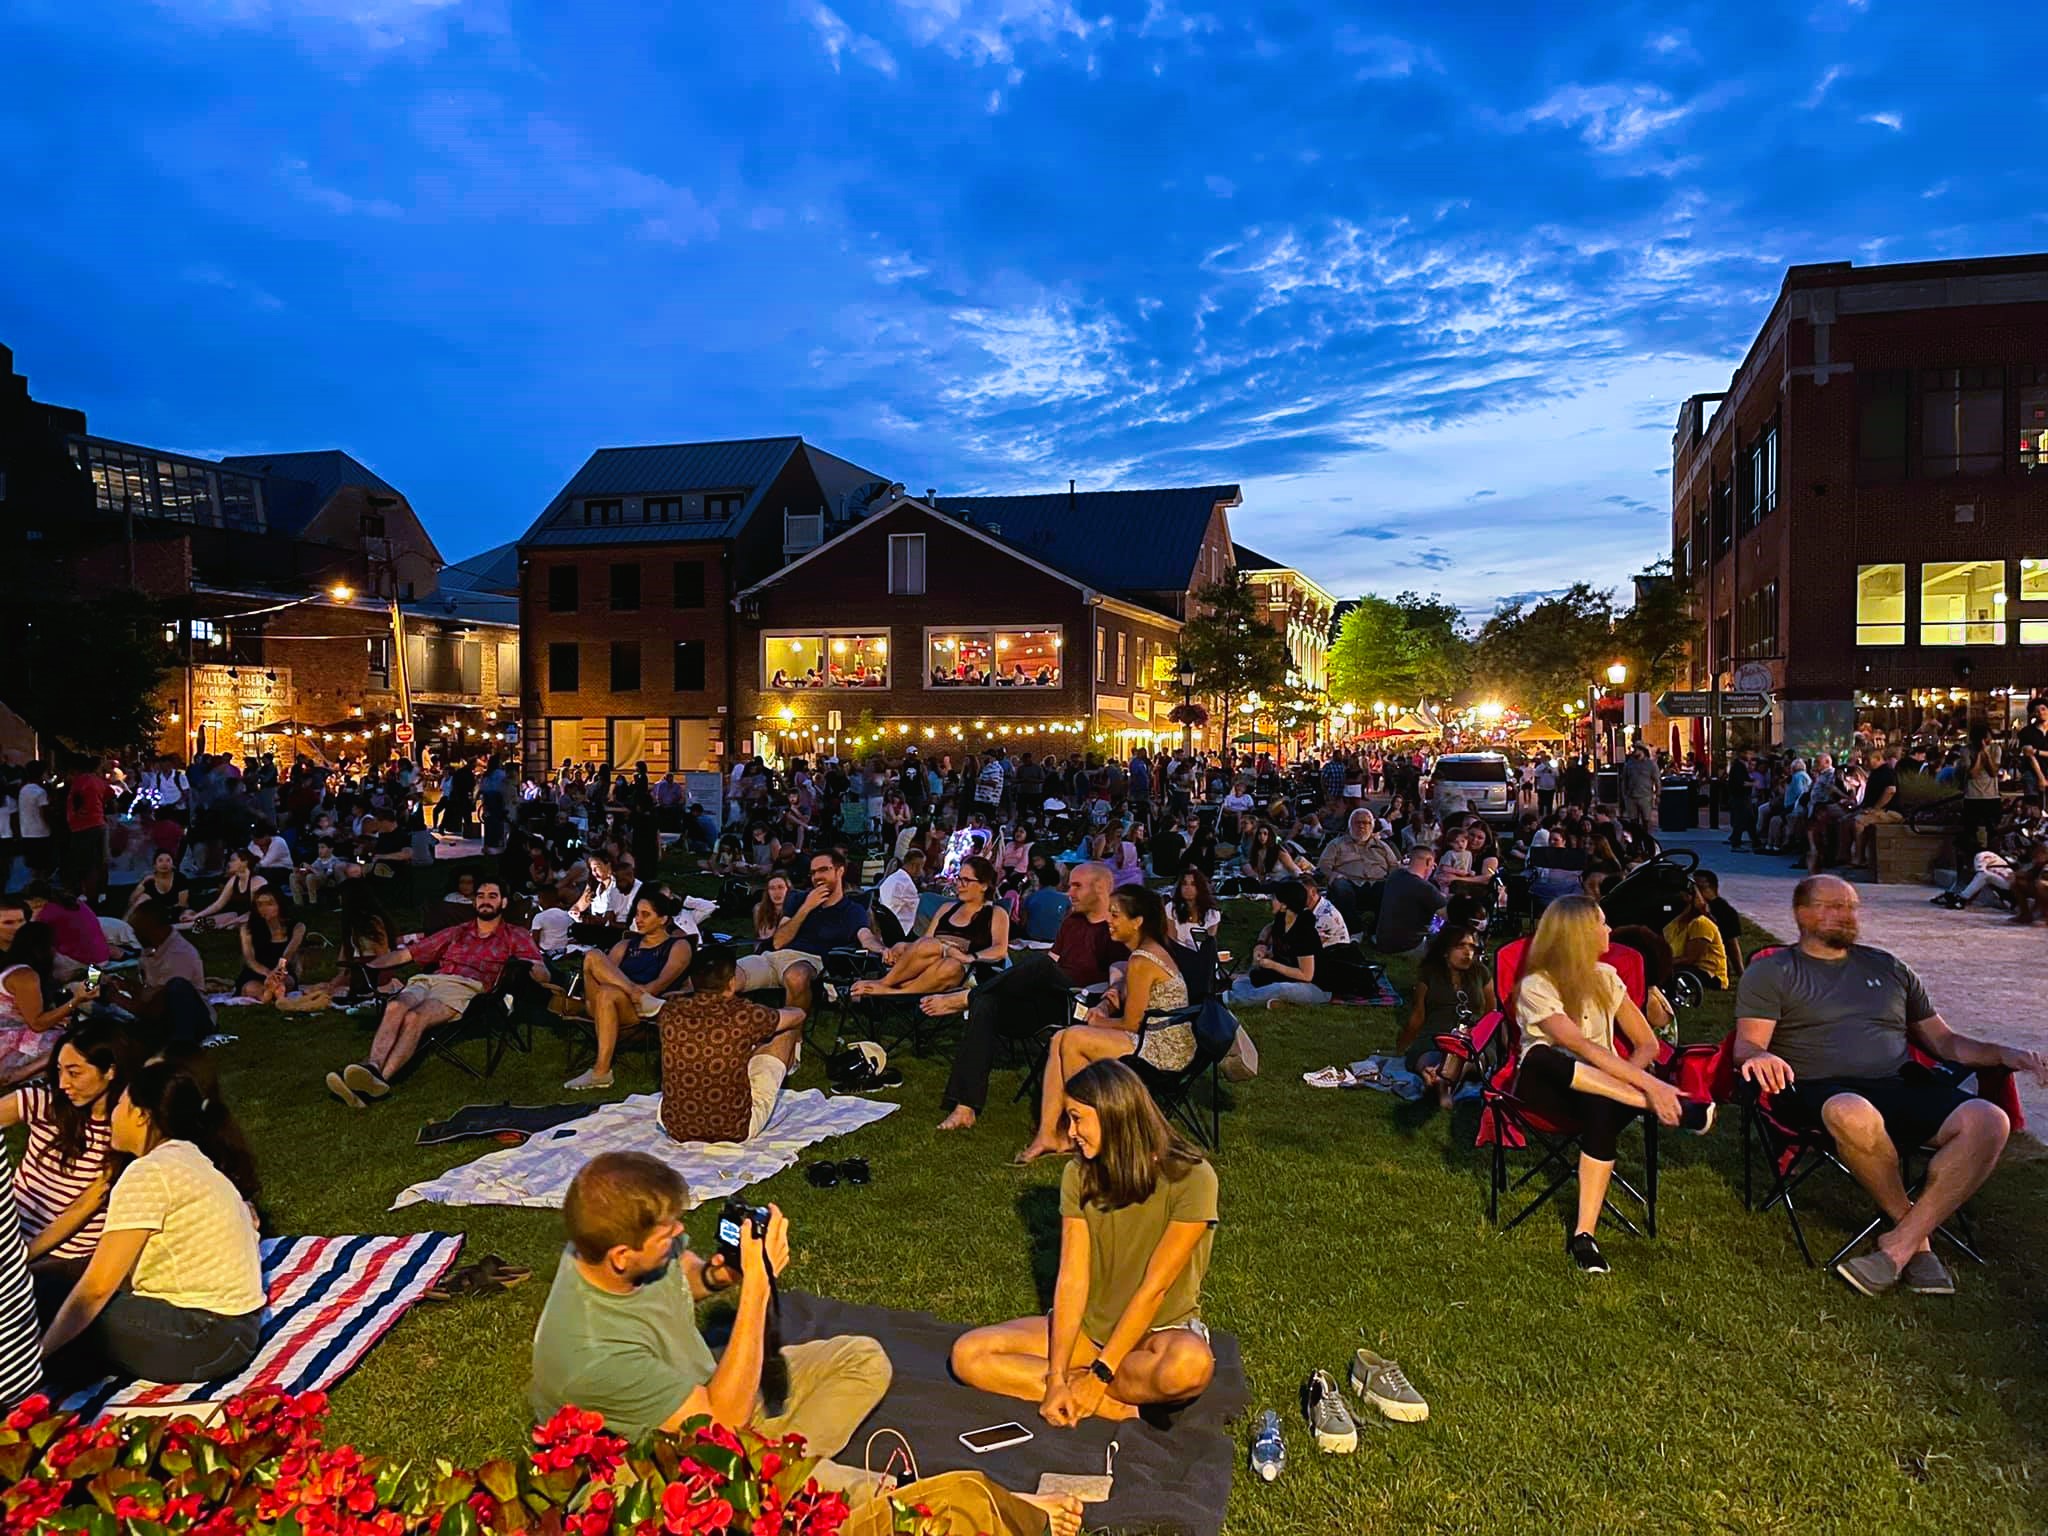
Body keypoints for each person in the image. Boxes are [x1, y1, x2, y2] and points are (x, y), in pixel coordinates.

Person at [1734, 876, 2047, 1297]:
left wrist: (2002, 1053)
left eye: (1851, 906)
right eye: (1832, 906)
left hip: (1899, 1084)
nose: (1845, 915)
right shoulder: (1772, 971)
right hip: (1817, 1088)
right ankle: (1918, 1243)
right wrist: (1761, 1055)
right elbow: (1747, 1044)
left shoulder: (1888, 967)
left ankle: (1898, 1246)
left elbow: (1944, 1042)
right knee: (1852, 1111)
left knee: (1989, 1120)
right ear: (1802, 914)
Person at [528, 1152, 892, 1503]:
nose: (680, 1232)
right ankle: (767, 1478)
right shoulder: (590, 1354)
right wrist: (756, 1288)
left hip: (705, 1399)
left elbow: (678, 1274)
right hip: (655, 1460)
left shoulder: (599, 1242)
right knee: (871, 1495)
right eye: (666, 1233)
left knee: (863, 1359)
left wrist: (716, 1276)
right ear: (622, 1256)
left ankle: (769, 1472)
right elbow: (722, 1424)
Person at [953, 1060, 1217, 1424]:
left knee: (1190, 1366)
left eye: (1077, 1118)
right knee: (969, 1354)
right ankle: (1114, 1407)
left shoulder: (1192, 1177)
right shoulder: (1079, 1174)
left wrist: (1101, 1374)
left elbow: (1155, 1288)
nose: (1070, 1132)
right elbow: (1072, 1280)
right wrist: (1056, 1375)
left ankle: (1092, 1389)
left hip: (1157, 1335)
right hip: (1090, 1335)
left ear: (1112, 1114)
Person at [1512, 897, 1712, 1274]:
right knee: (1542, 1056)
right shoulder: (1537, 985)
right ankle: (1656, 1103)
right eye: (1601, 924)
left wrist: (1624, 1077)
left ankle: (1583, 1236)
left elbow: (1648, 1043)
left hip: (1603, 1093)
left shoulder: (1606, 977)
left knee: (1601, 1103)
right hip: (1550, 1090)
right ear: (1577, 935)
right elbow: (1579, 1045)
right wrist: (1653, 1090)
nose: (1609, 931)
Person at [39, 1055, 264, 1387]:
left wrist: (39, 1355)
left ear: (141, 1115)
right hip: (236, 1331)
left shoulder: (149, 1172)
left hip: (205, 1336)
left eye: (119, 1106)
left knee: (67, 1310)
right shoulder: (186, 1154)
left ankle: (37, 1367)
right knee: (46, 1280)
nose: (111, 1115)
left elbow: (97, 1288)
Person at [933, 862, 1126, 1134]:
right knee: (987, 1004)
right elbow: (1054, 960)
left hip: (1078, 1002)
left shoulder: (1116, 928)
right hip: (1045, 1000)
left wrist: (1107, 1003)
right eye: (1068, 884)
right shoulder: (1072, 922)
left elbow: (1119, 979)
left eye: (1076, 886)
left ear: (1101, 888)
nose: (1068, 892)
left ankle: (968, 996)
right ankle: (965, 1106)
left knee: (1040, 965)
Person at [324, 877, 548, 1109]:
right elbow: (409, 954)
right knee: (395, 1006)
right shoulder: (457, 931)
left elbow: (539, 967)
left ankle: (378, 1079)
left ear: (503, 903)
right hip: (430, 979)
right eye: (481, 896)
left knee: (415, 1018)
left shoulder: (514, 935)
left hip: (466, 986)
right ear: (474, 902)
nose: (485, 901)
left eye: (492, 896)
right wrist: (369, 966)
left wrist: (538, 972)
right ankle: (371, 1069)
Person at [1017, 887, 1191, 1163]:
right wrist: (1108, 1002)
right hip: (1159, 1036)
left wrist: (1099, 1020)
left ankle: (1082, 1129)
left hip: (1163, 1048)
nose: (1109, 920)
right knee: (1060, 1039)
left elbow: (1131, 1024)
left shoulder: (1142, 960)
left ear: (1137, 921)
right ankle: (1052, 1133)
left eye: (1115, 915)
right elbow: (1126, 996)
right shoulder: (1146, 952)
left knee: (1071, 1039)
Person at [1, 1018, 143, 1270]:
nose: (63, 1083)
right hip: (12, 1229)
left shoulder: (125, 1130)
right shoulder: (42, 1104)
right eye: (59, 1071)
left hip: (66, 1253)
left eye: (74, 1073)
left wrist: (21, 1258)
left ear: (110, 1071)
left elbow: (82, 1208)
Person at [655, 949, 804, 1143]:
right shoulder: (744, 1015)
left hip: (676, 1126)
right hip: (733, 1130)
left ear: (692, 980)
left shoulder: (669, 1012)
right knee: (786, 1031)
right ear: (732, 982)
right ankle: (789, 1068)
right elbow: (798, 1015)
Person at [566, 890, 695, 1091]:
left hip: (639, 1011)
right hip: (613, 1002)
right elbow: (600, 976)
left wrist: (629, 993)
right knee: (593, 956)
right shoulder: (624, 945)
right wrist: (634, 993)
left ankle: (601, 1072)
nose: (638, 919)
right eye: (636, 914)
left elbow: (658, 986)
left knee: (607, 991)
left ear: (663, 919)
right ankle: (637, 996)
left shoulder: (678, 946)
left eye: (646, 914)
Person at [735, 849, 881, 1016]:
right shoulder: (798, 899)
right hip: (772, 957)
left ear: (840, 871)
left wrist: (884, 950)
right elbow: (778, 942)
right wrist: (806, 907)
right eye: (813, 872)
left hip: (809, 961)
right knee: (725, 976)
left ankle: (792, 1038)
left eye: (823, 870)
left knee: (796, 976)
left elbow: (867, 937)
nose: (817, 876)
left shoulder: (852, 910)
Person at [853, 856, 1009, 999]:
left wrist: (969, 957)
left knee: (950, 965)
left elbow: (1000, 950)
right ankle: (888, 985)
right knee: (904, 946)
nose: (959, 885)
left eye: (966, 880)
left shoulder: (995, 913)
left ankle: (889, 988)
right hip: (929, 963)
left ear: (983, 885)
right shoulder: (947, 908)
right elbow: (925, 941)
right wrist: (905, 948)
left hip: (961, 970)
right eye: (958, 879)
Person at [1396, 923, 1495, 1108]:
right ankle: (1437, 1075)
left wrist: (1481, 1036)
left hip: (1471, 1038)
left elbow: (1492, 1013)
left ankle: (1441, 1078)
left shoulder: (1481, 973)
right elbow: (1418, 1015)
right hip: (1435, 1035)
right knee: (1428, 1055)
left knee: (1466, 1058)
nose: (1468, 952)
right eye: (1460, 946)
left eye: (1472, 947)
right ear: (1445, 950)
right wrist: (1402, 1046)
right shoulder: (1429, 975)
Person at [100, 901, 214, 1053]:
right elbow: (151, 992)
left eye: (140, 931)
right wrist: (127, 986)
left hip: (193, 1020)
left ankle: (181, 1045)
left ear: (156, 928)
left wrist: (119, 999)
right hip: (161, 1018)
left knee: (177, 986)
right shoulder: (151, 950)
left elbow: (157, 1006)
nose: (136, 936)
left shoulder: (178, 954)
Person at [0, 899, 83, 1077]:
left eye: (20, 922)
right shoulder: (25, 976)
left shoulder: (15, 967)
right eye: (8, 923)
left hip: (15, 1030)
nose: (16, 928)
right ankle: (20, 1073)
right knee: (76, 1043)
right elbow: (37, 1023)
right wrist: (77, 1000)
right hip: (9, 1044)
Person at [1228, 880, 1329, 1009]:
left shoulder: (1304, 932)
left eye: (1275, 898)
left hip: (1314, 987)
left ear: (1284, 905)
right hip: (1285, 978)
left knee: (1278, 988)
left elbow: (1306, 975)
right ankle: (1275, 1002)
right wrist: (1261, 947)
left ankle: (1232, 999)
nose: (1271, 901)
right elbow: (1271, 936)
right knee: (1245, 980)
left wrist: (1273, 965)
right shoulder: (1281, 922)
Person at [235, 887, 307, 1003]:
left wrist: (277, 971)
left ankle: (274, 992)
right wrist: (268, 973)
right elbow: (250, 959)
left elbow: (288, 953)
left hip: (282, 971)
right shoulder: (247, 929)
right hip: (256, 972)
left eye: (269, 904)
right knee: (253, 988)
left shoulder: (297, 927)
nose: (264, 909)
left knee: (284, 983)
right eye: (260, 905)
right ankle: (268, 994)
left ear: (279, 905)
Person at [1373, 848, 1447, 958]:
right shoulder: (1425, 888)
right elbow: (1448, 913)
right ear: (1428, 862)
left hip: (1383, 943)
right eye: (1433, 865)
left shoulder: (1395, 875)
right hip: (1408, 947)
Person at [178, 849, 267, 931]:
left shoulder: (258, 882)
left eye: (233, 860)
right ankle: (172, 927)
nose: (229, 863)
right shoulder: (234, 880)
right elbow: (218, 904)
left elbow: (256, 911)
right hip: (236, 915)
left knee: (232, 924)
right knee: (203, 922)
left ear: (245, 862)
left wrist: (229, 923)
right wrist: (196, 916)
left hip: (256, 916)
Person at [1662, 881, 1729, 989]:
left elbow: (1690, 959)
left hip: (1709, 975)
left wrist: (1663, 963)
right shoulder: (1674, 924)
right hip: (1685, 968)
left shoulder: (1700, 924)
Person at [25, 883, 109, 969]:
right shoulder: (70, 901)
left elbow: (32, 934)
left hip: (84, 961)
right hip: (101, 958)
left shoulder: (47, 912)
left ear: (37, 901)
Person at [875, 849, 925, 942]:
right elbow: (918, 907)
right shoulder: (906, 883)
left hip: (887, 925)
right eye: (922, 867)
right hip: (901, 929)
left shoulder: (893, 877)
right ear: (915, 866)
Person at [125, 852, 192, 919]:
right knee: (142, 899)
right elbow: (131, 901)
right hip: (155, 915)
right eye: (160, 860)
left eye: (168, 860)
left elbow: (182, 904)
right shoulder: (150, 880)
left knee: (188, 913)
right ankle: (123, 925)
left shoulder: (180, 878)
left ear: (173, 865)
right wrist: (143, 882)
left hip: (178, 913)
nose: (164, 864)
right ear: (155, 865)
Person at [1168, 866, 1223, 948]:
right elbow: (1171, 941)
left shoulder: (1212, 914)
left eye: (1193, 884)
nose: (1187, 888)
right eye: (1184, 884)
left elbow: (1209, 945)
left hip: (1202, 956)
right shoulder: (1171, 908)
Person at [1620, 744, 1659, 830]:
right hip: (1631, 796)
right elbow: (1624, 780)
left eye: (1636, 749)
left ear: (1642, 751)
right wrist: (1624, 794)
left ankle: (1646, 839)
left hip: (1645, 796)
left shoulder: (1650, 764)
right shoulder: (1629, 764)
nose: (1634, 751)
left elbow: (1657, 780)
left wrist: (1658, 795)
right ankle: (1636, 840)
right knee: (1633, 821)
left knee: (1646, 820)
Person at [752, 873, 794, 945]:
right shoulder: (759, 909)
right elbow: (758, 937)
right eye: (772, 888)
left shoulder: (797, 908)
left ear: (788, 889)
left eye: (780, 887)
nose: (776, 892)